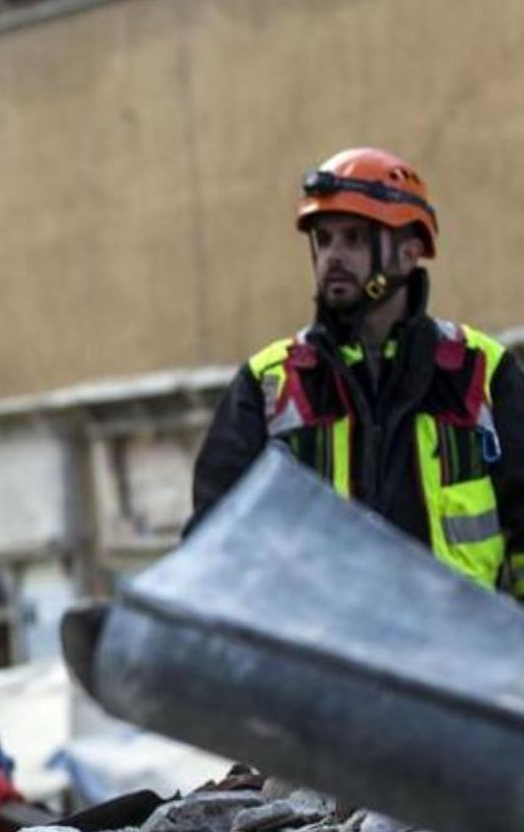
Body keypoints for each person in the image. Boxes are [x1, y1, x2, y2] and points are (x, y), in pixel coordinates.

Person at [187, 147, 524, 597]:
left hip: (459, 658)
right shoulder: (270, 385)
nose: (333, 256)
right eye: (323, 240)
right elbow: (216, 545)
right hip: (327, 657)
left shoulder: (481, 373)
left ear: (408, 254)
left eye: (354, 238)